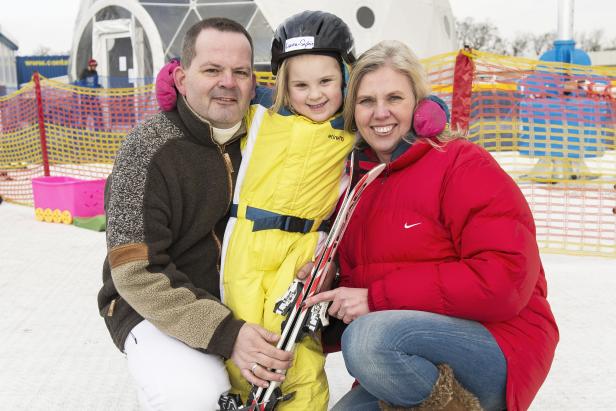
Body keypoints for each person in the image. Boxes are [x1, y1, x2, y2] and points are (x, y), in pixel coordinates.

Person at [304, 40, 559, 411]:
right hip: (407, 357)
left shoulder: (460, 163)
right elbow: (363, 290)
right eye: (366, 102)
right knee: (363, 345)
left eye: (394, 98)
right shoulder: (357, 185)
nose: (380, 113)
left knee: (366, 341)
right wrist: (326, 296)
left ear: (421, 107)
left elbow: (506, 279)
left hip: (498, 344)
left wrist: (377, 300)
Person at [97, 18, 293, 410]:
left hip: (248, 300)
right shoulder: (146, 150)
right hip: (155, 308)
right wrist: (225, 332)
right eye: (212, 70)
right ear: (182, 79)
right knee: (195, 394)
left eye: (240, 72)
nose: (229, 82)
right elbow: (135, 273)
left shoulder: (270, 140)